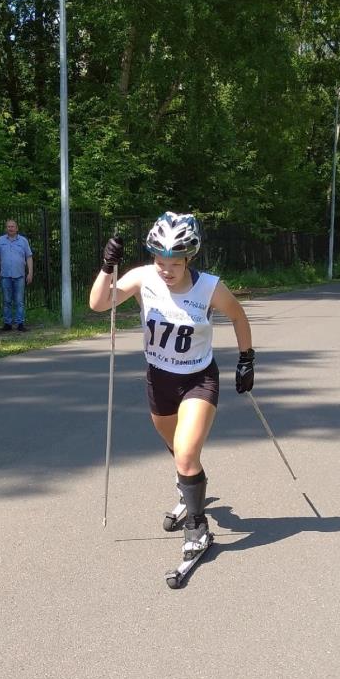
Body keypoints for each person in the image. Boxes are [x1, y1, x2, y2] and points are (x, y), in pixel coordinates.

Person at [88, 212, 254, 562]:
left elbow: (238, 315)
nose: (165, 269)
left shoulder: (209, 287)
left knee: (186, 451)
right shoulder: (142, 278)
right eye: (160, 260)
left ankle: (197, 527)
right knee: (177, 447)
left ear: (188, 259)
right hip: (159, 378)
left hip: (198, 378)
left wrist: (246, 358)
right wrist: (107, 267)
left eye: (174, 263)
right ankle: (187, 490)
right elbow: (98, 304)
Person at [0, 219, 35, 331]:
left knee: (19, 301)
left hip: (19, 275)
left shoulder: (23, 241)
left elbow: (29, 257)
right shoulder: (0, 240)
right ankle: (7, 324)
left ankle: (20, 323)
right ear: (6, 228)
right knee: (6, 301)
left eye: (12, 226)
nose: (10, 228)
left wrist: (30, 272)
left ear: (17, 228)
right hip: (5, 275)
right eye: (8, 226)